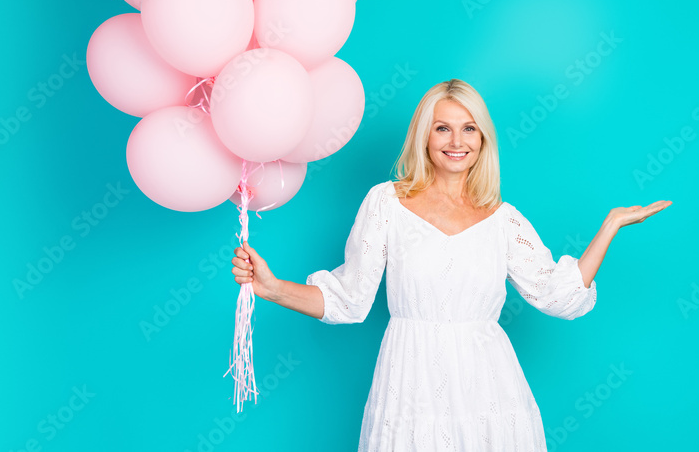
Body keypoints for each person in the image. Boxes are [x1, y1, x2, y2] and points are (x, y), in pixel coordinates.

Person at [231, 78, 671, 450]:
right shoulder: (386, 202)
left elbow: (557, 293)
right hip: (410, 384)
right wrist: (271, 287)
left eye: (469, 129)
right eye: (443, 128)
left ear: (483, 140)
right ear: (424, 135)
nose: (456, 142)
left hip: (489, 390)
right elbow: (349, 300)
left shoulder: (503, 218)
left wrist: (609, 227)